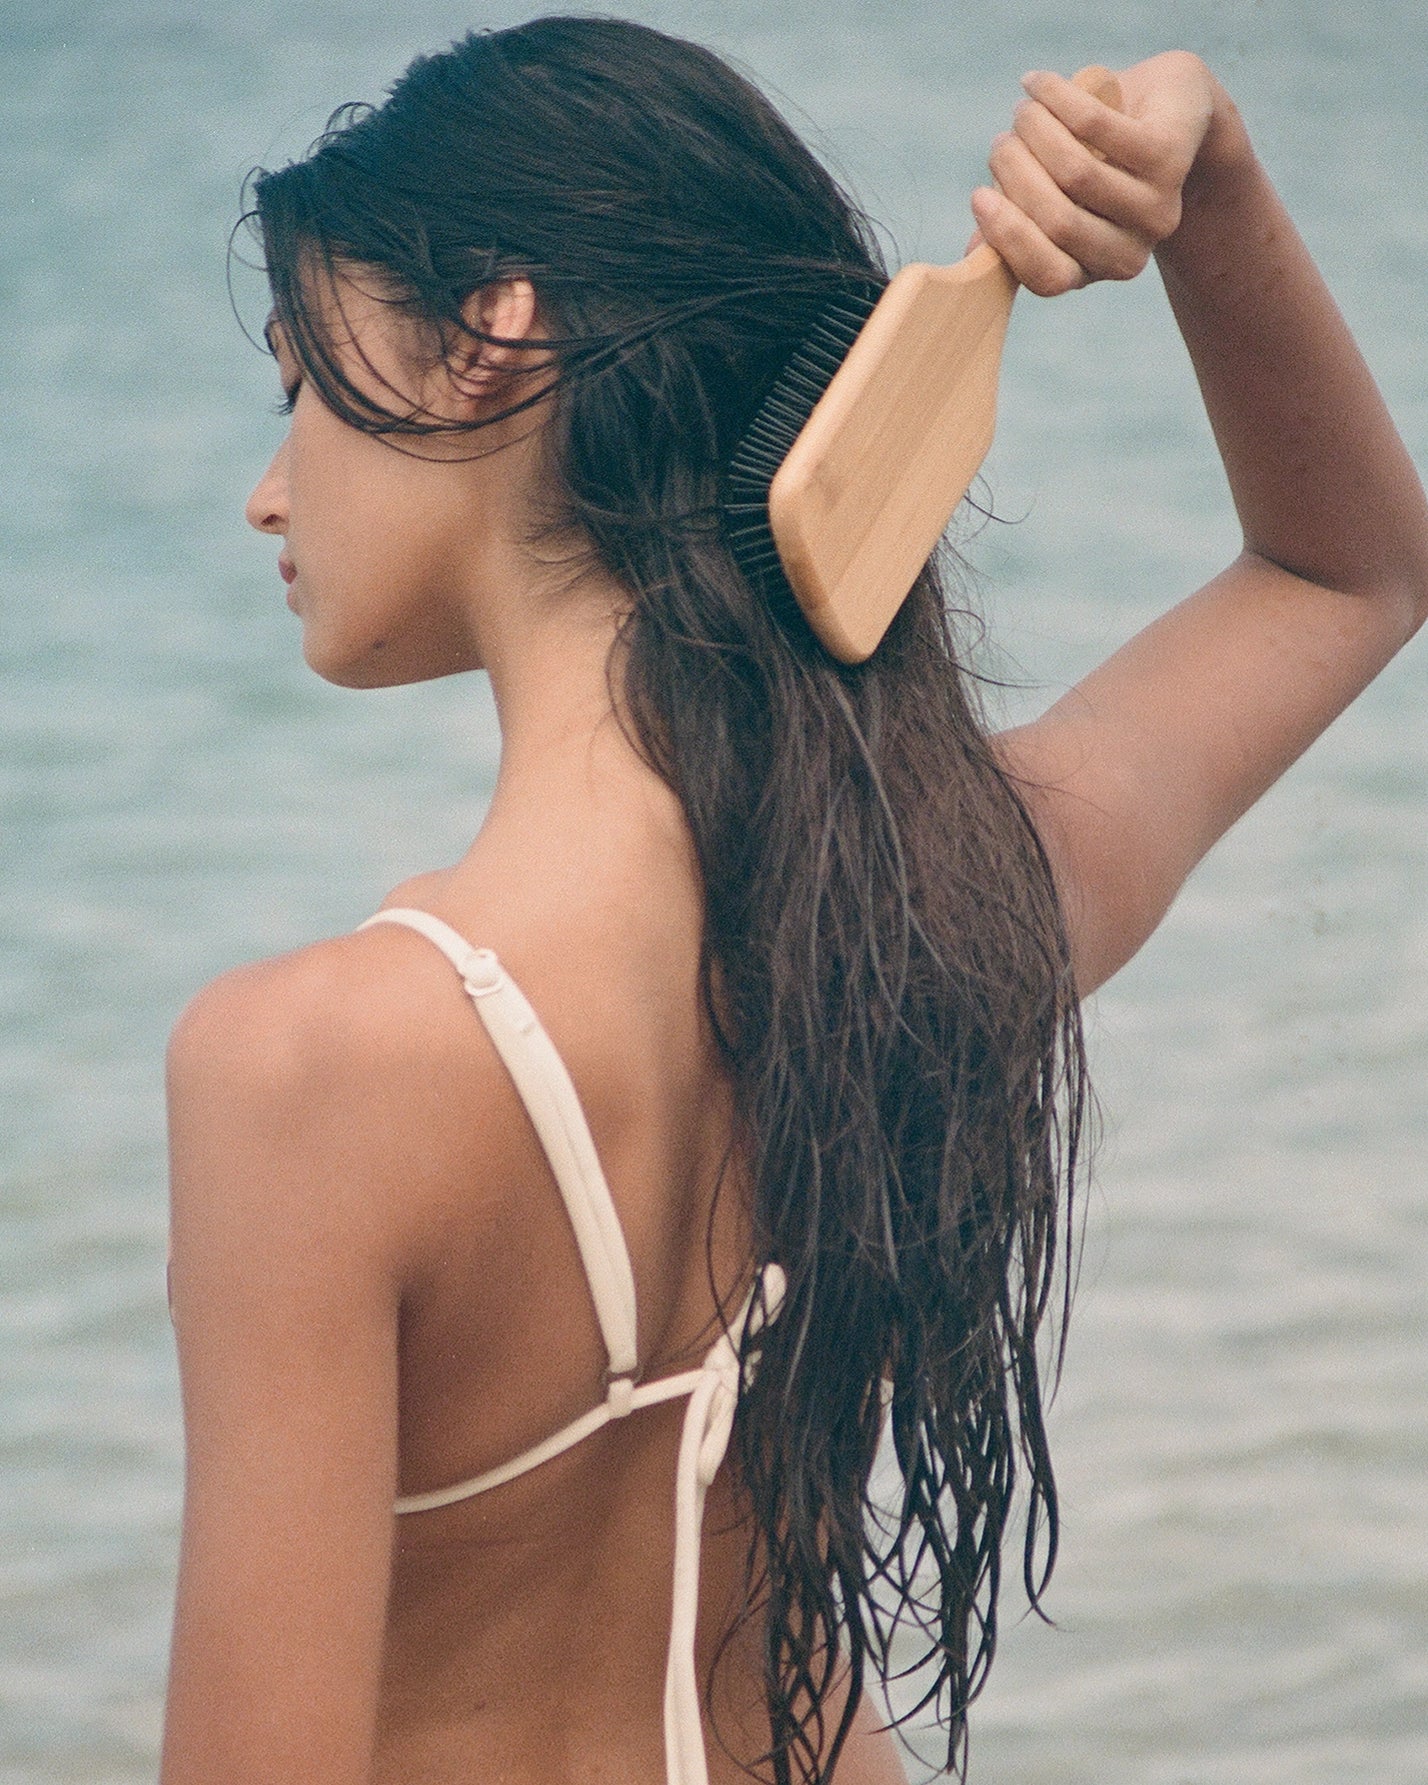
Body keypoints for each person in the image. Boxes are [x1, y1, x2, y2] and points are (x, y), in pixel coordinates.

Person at [159, 18, 1427, 1785]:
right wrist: (1209, 184)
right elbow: (1344, 568)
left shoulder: (307, 1070)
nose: (267, 482)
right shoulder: (929, 916)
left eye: (299, 371)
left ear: (485, 341)